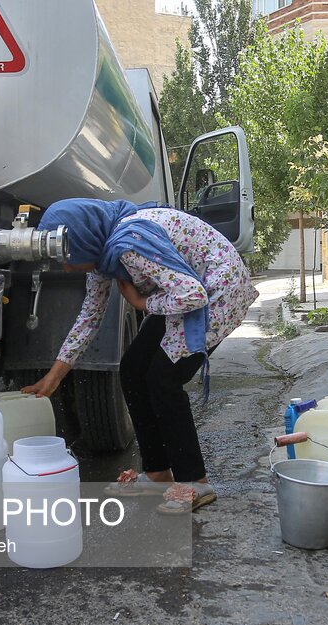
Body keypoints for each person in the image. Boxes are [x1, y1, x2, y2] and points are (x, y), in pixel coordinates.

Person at [21, 199, 258, 513]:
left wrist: (142, 304)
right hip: (182, 293)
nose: (65, 267)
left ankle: (195, 482)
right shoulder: (104, 254)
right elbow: (90, 317)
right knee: (133, 369)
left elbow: (192, 294)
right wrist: (52, 378)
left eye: (67, 257)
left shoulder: (128, 246)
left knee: (163, 379)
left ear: (83, 241)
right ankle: (158, 472)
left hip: (217, 292)